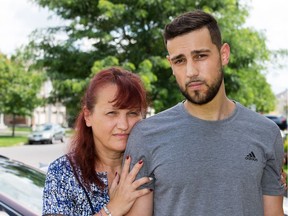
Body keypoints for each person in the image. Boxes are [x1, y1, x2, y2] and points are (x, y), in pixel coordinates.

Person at [124, 10, 286, 215]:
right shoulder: (146, 135)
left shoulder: (266, 133)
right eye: (179, 60)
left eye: (200, 56)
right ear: (171, 65)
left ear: (223, 54)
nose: (190, 71)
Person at [42, 67, 153, 215]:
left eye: (132, 113)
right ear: (88, 116)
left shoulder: (150, 167)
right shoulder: (64, 172)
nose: (124, 125)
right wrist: (113, 209)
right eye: (112, 113)